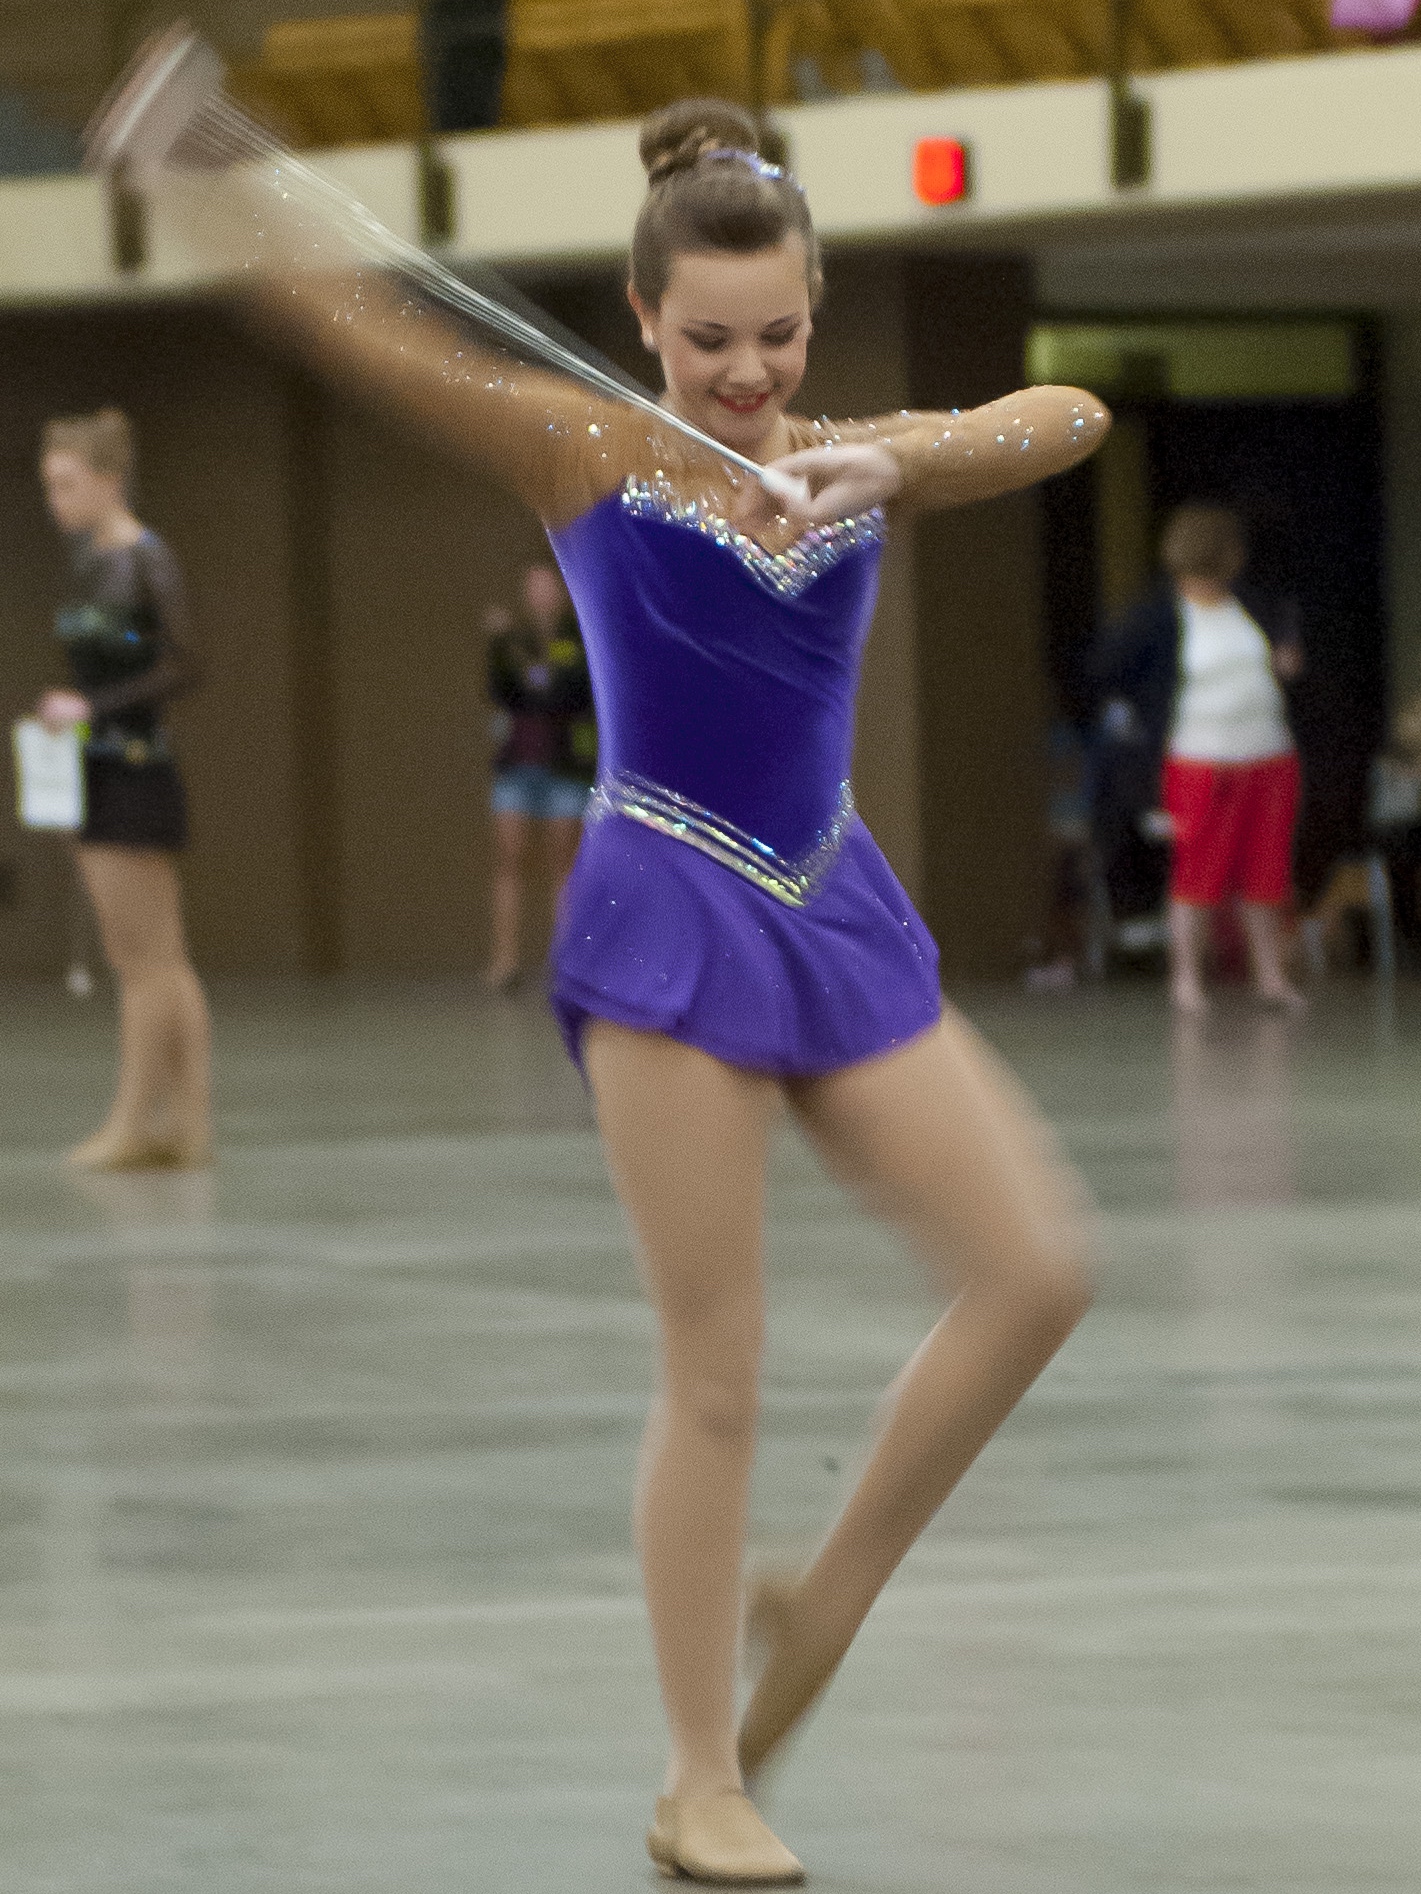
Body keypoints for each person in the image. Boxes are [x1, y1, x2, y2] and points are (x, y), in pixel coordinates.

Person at [185, 93, 1110, 1884]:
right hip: (666, 902)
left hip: (825, 890)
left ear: (814, 310)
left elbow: (1061, 415)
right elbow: (349, 323)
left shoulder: (842, 453)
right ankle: (699, 1770)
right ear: (641, 316)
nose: (749, 374)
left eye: (779, 336)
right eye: (708, 340)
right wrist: (220, 180)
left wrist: (906, 464)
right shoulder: (579, 449)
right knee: (721, 1368)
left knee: (1038, 1268)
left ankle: (821, 1600)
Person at [34, 408, 212, 1170]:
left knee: (148, 963)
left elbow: (186, 663)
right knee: (153, 958)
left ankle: (141, 1121)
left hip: (135, 769)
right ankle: (184, 1125)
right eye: (50, 486)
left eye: (68, 484)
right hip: (99, 767)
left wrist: (93, 707)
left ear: (109, 481)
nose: (57, 501)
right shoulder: (91, 564)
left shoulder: (147, 559)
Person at [1091, 503, 1305, 1016]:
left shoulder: (1252, 605)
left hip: (1268, 756)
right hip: (1199, 761)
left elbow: (1280, 655)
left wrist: (1285, 665)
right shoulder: (1157, 617)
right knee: (1198, 870)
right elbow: (1106, 669)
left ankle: (1269, 977)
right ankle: (1186, 980)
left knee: (1266, 869)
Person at [484, 563, 596, 988]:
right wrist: (500, 647)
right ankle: (503, 961)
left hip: (565, 765)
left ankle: (564, 965)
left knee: (563, 863)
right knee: (509, 859)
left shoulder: (577, 638)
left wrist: (534, 677)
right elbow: (504, 691)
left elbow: (566, 690)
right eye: (533, 587)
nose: (541, 595)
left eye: (548, 587)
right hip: (517, 766)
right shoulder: (512, 641)